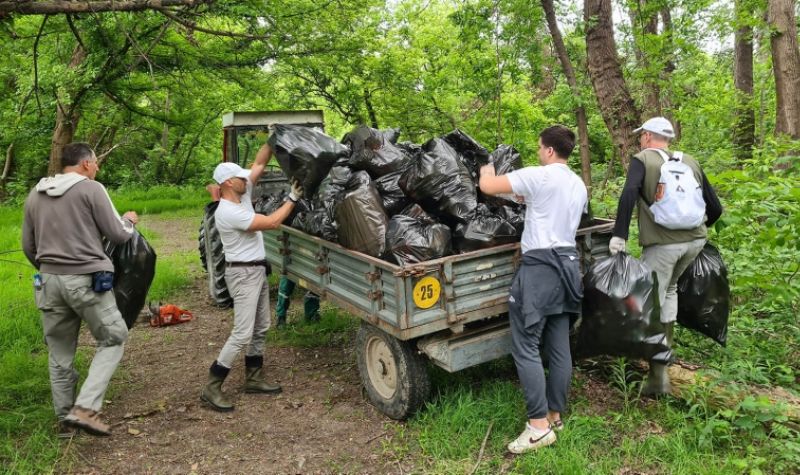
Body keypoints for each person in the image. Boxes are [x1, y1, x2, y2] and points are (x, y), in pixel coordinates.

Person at [479, 125, 588, 454]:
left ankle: (537, 427)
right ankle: (555, 416)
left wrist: (485, 164)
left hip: (540, 267)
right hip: (569, 266)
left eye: (540, 148)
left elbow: (487, 186)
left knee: (525, 346)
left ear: (550, 151)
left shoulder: (540, 175)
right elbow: (547, 208)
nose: (539, 153)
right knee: (558, 346)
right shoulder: (578, 184)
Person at [22, 143, 139, 437]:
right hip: (87, 280)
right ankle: (85, 409)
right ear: (86, 164)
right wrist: (129, 221)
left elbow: (28, 245)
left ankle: (66, 421)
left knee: (59, 353)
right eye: (96, 162)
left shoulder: (35, 194)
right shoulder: (91, 189)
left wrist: (51, 266)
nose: (97, 167)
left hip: (48, 281)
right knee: (114, 337)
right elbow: (117, 234)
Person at [609, 116, 722, 396]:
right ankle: (663, 359)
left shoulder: (643, 159)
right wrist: (694, 231)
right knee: (668, 291)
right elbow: (716, 207)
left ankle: (658, 378)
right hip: (695, 241)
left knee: (649, 302)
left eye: (641, 135)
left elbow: (628, 195)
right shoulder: (689, 161)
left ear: (648, 136)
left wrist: (619, 235)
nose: (639, 140)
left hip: (663, 246)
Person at [201, 142, 304, 412]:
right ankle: (212, 386)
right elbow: (271, 223)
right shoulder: (227, 212)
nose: (246, 179)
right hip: (243, 273)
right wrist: (292, 198)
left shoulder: (242, 195)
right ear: (226, 183)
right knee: (242, 332)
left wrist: (272, 140)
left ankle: (254, 378)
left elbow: (258, 165)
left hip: (257, 269)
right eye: (239, 178)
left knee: (261, 326)